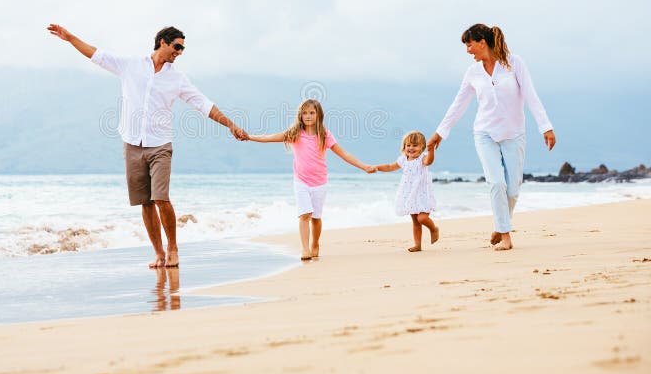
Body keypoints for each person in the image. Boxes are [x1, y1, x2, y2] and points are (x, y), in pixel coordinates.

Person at [47, 24, 248, 268]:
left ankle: (173, 248)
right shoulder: (131, 65)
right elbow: (96, 54)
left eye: (183, 48)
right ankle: (159, 253)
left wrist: (230, 125)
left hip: (160, 145)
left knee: (161, 198)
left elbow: (203, 104)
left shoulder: (177, 78)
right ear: (162, 42)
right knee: (145, 202)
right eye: (177, 46)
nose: (179, 52)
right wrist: (69, 38)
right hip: (132, 144)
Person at [427, 24, 556, 251]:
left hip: (514, 134)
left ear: (482, 42)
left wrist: (545, 126)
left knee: (513, 189)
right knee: (496, 183)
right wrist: (440, 132)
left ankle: (500, 223)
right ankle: (506, 236)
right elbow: (458, 104)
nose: (468, 50)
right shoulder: (472, 73)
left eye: (469, 45)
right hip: (484, 133)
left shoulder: (514, 63)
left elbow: (530, 95)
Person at [248, 99, 376, 261]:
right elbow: (269, 137)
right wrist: (249, 137)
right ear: (300, 115)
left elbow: (344, 154)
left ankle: (315, 243)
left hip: (320, 182)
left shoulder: (324, 134)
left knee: (316, 218)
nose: (308, 116)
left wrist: (364, 166)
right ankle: (305, 248)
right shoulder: (294, 134)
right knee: (305, 214)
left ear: (318, 115)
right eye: (305, 113)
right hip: (301, 181)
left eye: (312, 112)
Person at [376, 131, 439, 252]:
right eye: (408, 145)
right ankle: (418, 244)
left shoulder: (422, 158)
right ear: (404, 147)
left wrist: (431, 150)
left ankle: (433, 229)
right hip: (410, 194)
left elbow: (429, 161)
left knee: (422, 218)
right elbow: (390, 166)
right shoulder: (403, 159)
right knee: (415, 221)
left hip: (422, 194)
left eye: (415, 145)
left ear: (422, 147)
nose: (411, 148)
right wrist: (377, 167)